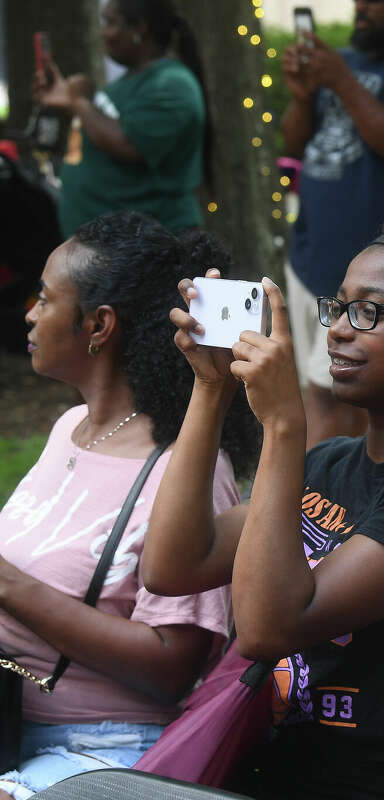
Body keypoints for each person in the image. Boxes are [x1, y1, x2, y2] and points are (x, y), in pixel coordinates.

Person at [144, 221, 384, 799]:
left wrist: (285, 426)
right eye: (337, 308)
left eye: (369, 312)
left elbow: (269, 628)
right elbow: (172, 565)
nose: (338, 330)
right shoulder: (331, 464)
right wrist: (210, 389)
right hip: (263, 773)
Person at [0, 211, 258, 800]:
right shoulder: (69, 428)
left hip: (99, 756)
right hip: (14, 729)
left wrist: (11, 588)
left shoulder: (187, 472)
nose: (30, 313)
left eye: (44, 298)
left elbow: (175, 666)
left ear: (99, 324)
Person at [281, 0, 384, 450]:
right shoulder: (342, 62)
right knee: (309, 394)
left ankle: (305, 510)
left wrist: (342, 82)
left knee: (331, 398)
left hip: (359, 275)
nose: (362, 8)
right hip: (308, 256)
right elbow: (294, 143)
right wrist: (303, 96)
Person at [34, 0, 211, 238]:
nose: (103, 33)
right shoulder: (127, 82)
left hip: (150, 248)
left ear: (140, 28)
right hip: (111, 250)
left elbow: (129, 144)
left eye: (110, 22)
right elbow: (98, 136)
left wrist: (79, 102)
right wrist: (69, 103)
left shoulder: (172, 84)